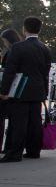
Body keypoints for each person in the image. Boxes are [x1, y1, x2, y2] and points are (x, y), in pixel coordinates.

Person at [0, 27, 29, 160]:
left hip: (9, 89)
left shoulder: (11, 52)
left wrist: (3, 91)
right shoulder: (22, 50)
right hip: (21, 90)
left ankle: (9, 148)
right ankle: (10, 147)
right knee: (15, 121)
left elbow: (8, 72)